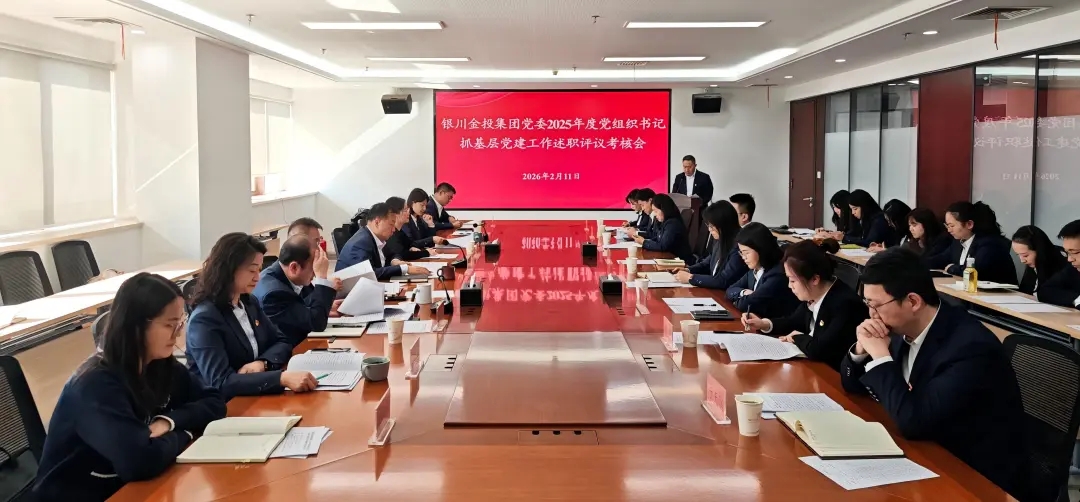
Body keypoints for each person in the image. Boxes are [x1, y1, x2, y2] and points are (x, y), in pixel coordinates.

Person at [839, 248, 1026, 498]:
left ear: (913, 302)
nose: (871, 315)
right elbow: (853, 386)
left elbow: (914, 422)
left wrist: (881, 358)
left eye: (876, 305)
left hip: (972, 476)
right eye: (867, 304)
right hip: (925, 451)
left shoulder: (970, 348)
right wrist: (861, 351)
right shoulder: (901, 326)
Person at [33, 273, 227, 501]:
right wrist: (185, 432)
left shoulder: (159, 363)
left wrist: (169, 422)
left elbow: (215, 402)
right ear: (136, 326)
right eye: (169, 325)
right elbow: (139, 462)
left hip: (130, 488)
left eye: (180, 323)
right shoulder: (95, 385)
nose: (178, 333)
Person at [186, 233, 317, 399]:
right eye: (252, 270)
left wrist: (263, 363)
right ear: (229, 269)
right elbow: (221, 382)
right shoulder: (204, 319)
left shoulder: (248, 302)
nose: (257, 277)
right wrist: (280, 378)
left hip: (254, 395)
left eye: (259, 270)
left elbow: (282, 341)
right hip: (225, 405)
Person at [742, 239, 866, 370]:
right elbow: (794, 322)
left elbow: (820, 349)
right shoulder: (814, 294)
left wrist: (798, 338)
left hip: (831, 373)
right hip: (812, 367)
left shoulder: (845, 304)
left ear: (814, 279)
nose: (789, 286)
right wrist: (764, 324)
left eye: (792, 281)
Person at [252, 235, 340, 347]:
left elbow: (303, 306)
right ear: (294, 267)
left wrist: (326, 306)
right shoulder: (274, 294)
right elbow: (316, 324)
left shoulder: (286, 274)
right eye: (314, 269)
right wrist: (321, 278)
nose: (315, 275)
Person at [926, 201, 1017, 285]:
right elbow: (940, 259)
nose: (949, 230)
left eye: (952, 226)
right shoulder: (958, 243)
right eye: (947, 226)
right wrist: (919, 264)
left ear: (969, 224)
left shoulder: (989, 244)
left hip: (998, 294)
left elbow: (975, 271)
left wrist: (951, 268)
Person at [725, 223, 800, 319]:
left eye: (746, 253)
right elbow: (730, 290)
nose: (743, 257)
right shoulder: (755, 269)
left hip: (775, 326)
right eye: (741, 253)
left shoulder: (777, 274)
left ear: (761, 249)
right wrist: (743, 292)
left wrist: (739, 300)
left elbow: (745, 305)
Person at [336, 202, 429, 279]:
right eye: (391, 224)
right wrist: (404, 269)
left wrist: (395, 261)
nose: (394, 229)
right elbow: (370, 274)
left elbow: (392, 254)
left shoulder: (376, 237)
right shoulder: (361, 242)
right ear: (377, 222)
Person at [674, 201, 747, 290]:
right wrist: (688, 270)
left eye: (712, 226)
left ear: (723, 224)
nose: (709, 229)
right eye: (708, 225)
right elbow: (706, 263)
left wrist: (691, 278)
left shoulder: (740, 245)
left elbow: (724, 280)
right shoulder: (721, 239)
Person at [1011, 225, 1070, 299]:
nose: (1022, 260)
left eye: (1025, 255)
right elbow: (1025, 292)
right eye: (1018, 255)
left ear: (1040, 250)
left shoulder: (1061, 263)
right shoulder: (1033, 264)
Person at [632, 194, 694, 263]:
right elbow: (658, 238)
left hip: (681, 262)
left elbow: (663, 246)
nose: (654, 214)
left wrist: (644, 242)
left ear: (664, 209)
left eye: (656, 211)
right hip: (670, 259)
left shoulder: (672, 224)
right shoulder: (665, 222)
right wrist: (643, 240)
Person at [1038, 220, 1080, 309]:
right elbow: (1045, 291)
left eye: (1075, 252)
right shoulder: (1073, 269)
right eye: (1067, 253)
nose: (1069, 259)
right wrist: (1077, 299)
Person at [385, 196, 437, 261]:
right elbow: (402, 254)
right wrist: (426, 253)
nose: (408, 212)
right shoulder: (390, 233)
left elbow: (411, 244)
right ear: (396, 214)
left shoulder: (399, 231)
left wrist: (411, 248)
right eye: (405, 210)